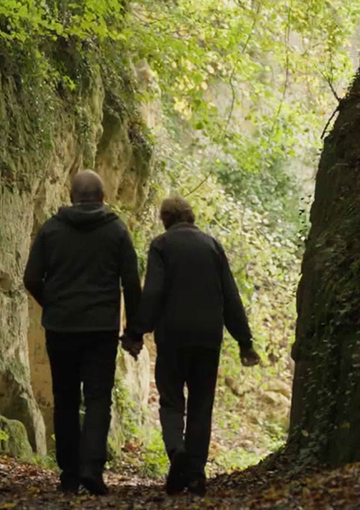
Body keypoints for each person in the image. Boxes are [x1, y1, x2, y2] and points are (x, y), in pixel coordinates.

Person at [122, 196, 260, 496]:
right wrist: (244, 341)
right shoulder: (212, 246)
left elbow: (154, 292)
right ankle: (196, 473)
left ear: (165, 219)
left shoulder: (161, 246)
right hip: (208, 339)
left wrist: (136, 332)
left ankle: (177, 451)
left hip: (172, 337)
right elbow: (230, 296)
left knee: (171, 400)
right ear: (191, 216)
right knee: (201, 403)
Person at [23, 170, 142, 496]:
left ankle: (69, 475)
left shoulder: (52, 229)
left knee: (65, 399)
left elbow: (31, 277)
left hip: (61, 328)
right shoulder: (117, 230)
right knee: (98, 399)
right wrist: (133, 330)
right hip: (100, 330)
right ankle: (92, 468)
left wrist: (52, 304)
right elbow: (131, 283)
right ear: (103, 197)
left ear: (71, 196)